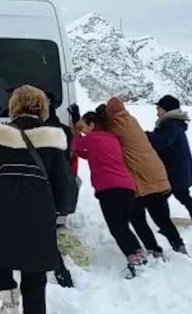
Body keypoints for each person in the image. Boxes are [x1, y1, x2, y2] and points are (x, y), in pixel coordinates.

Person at [0, 85, 70, 314]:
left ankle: (8, 297)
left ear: (14, 106)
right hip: (38, 209)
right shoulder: (52, 138)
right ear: (42, 108)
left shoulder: (0, 136)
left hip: (2, 204)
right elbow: (63, 182)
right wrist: (61, 209)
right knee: (34, 273)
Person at [103, 97, 188, 259]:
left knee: (136, 217)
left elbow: (101, 134)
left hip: (140, 178)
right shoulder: (131, 120)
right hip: (156, 173)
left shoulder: (116, 125)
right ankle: (179, 245)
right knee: (161, 217)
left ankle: (153, 249)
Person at [72, 108, 145, 278]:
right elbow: (89, 154)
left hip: (109, 188)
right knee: (123, 226)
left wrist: (74, 129)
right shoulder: (112, 138)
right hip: (127, 187)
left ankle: (135, 259)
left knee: (116, 228)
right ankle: (138, 254)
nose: (83, 130)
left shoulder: (91, 138)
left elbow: (74, 144)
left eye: (84, 126)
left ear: (92, 124)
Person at [146, 95, 192, 231]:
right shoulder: (174, 122)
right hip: (179, 169)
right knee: (182, 195)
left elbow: (162, 142)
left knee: (160, 198)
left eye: (159, 107)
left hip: (173, 170)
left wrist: (148, 136)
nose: (157, 110)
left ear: (165, 109)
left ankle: (165, 226)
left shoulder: (169, 123)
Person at [44, 102, 80, 287]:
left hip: (45, 183)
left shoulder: (42, 132)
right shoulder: (64, 130)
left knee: (43, 226)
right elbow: (72, 151)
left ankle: (59, 269)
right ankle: (60, 269)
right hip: (61, 182)